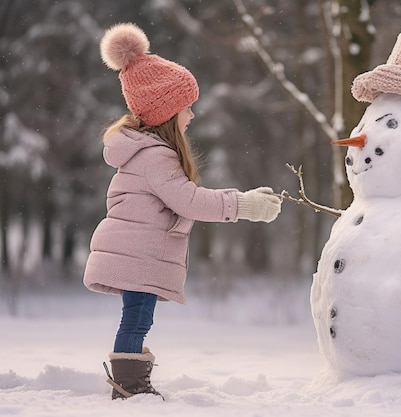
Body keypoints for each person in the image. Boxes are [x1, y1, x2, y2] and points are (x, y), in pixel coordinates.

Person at [83, 22, 282, 401]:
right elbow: (189, 201)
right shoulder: (155, 157)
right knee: (137, 319)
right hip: (138, 255)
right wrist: (243, 205)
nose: (191, 115)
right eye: (186, 107)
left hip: (138, 253)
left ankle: (131, 383)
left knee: (138, 318)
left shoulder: (146, 153)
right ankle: (129, 387)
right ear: (166, 112)